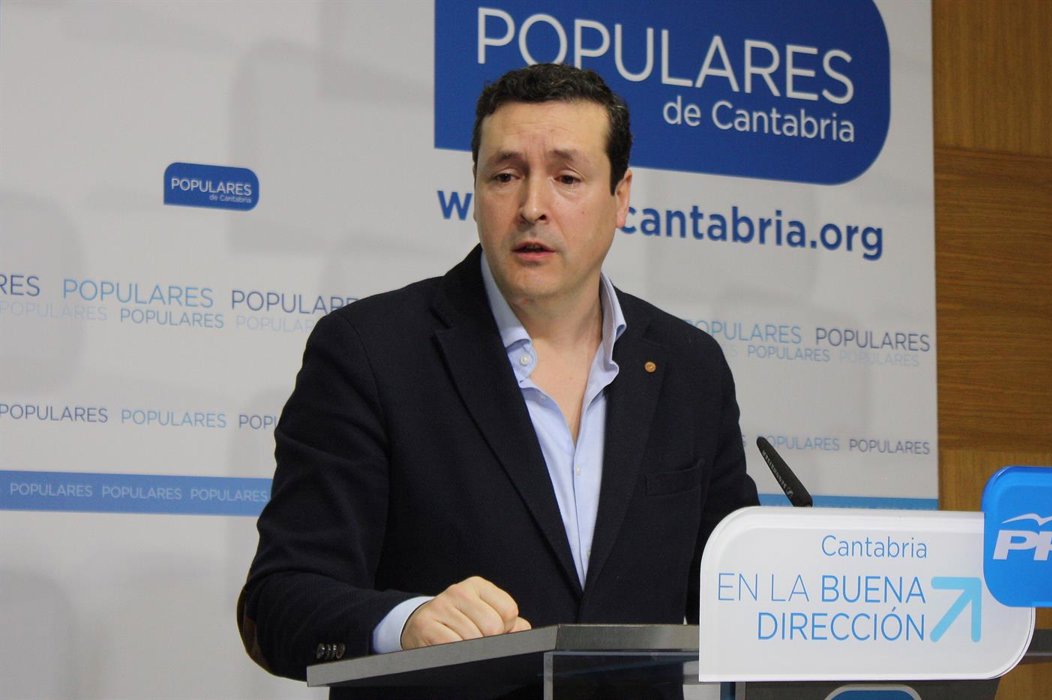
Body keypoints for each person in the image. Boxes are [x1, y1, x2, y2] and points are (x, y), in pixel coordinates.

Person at [237, 63, 759, 697]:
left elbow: (739, 600)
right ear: (476, 188)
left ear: (621, 197)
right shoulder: (371, 352)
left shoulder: (689, 367)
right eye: (505, 176)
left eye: (567, 178)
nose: (532, 207)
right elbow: (279, 601)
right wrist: (405, 624)